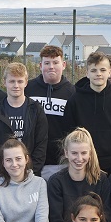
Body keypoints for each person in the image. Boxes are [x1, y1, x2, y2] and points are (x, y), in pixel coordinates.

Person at [47, 128, 111, 222]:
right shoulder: (56, 182)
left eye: (83, 153)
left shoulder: (101, 180)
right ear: (66, 153)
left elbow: (107, 216)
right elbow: (55, 221)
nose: (79, 158)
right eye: (74, 153)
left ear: (90, 153)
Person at [63, 51, 111, 174]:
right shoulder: (75, 100)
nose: (98, 74)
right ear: (87, 73)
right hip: (82, 162)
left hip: (110, 163)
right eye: (93, 70)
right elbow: (69, 133)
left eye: (102, 70)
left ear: (109, 72)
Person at [0, 61, 48, 179]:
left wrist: (28, 172)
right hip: (2, 176)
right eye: (12, 81)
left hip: (29, 176)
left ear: (26, 82)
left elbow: (41, 145)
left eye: (20, 81)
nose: (16, 85)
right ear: (4, 82)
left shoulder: (36, 110)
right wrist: (4, 173)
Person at [26, 44, 75, 179]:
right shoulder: (28, 89)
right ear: (40, 65)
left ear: (63, 64)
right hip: (30, 160)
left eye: (55, 62)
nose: (51, 66)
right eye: (47, 63)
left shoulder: (72, 93)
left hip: (59, 162)